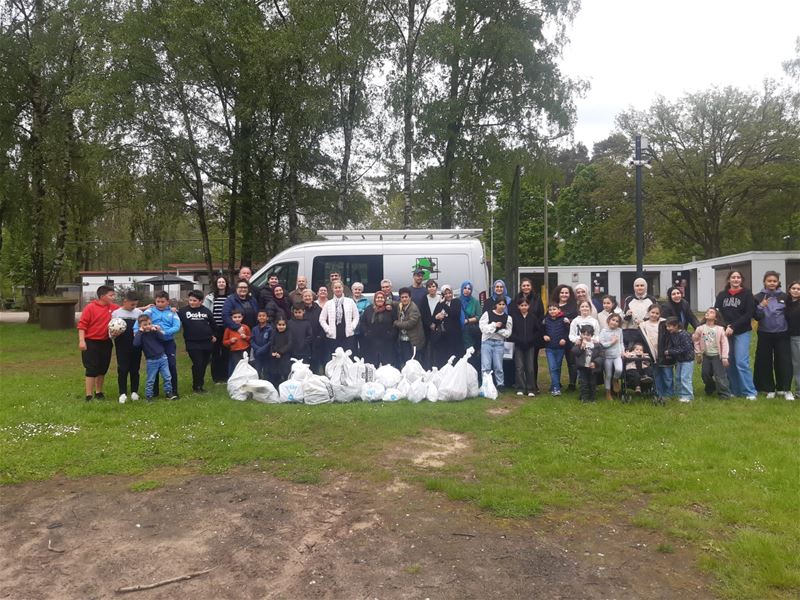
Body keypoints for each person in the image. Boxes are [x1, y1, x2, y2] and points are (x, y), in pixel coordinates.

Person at [714, 270, 757, 400]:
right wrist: (725, 326)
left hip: (742, 331)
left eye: (738, 277)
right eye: (733, 277)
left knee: (741, 362)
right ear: (729, 280)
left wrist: (733, 326)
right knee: (729, 361)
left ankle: (749, 391)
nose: (736, 279)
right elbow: (717, 313)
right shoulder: (722, 295)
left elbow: (749, 314)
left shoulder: (747, 294)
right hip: (726, 332)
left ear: (741, 280)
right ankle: (734, 390)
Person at [753, 271, 793, 400]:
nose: (772, 283)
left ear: (778, 283)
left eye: (774, 281)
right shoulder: (758, 297)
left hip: (782, 334)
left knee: (783, 361)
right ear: (764, 282)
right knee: (764, 361)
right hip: (765, 334)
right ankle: (768, 388)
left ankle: (784, 389)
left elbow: (790, 314)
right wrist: (761, 306)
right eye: (769, 281)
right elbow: (756, 317)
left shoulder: (785, 297)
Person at [134, 291, 181, 398]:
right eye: (158, 301)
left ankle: (173, 391)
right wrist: (137, 332)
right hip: (154, 341)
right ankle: (154, 392)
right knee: (154, 366)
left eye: (162, 302)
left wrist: (165, 332)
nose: (160, 304)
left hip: (168, 342)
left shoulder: (172, 312)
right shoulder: (150, 311)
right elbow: (139, 322)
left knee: (171, 365)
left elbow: (177, 326)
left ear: (167, 302)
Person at [78, 285, 119, 402]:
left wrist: (145, 308)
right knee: (91, 369)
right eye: (111, 295)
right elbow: (82, 325)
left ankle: (99, 392)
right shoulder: (90, 308)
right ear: (102, 296)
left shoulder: (113, 307)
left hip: (106, 342)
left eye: (114, 295)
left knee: (102, 368)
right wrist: (82, 341)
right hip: (91, 342)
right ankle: (89, 395)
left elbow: (126, 309)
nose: (113, 297)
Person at [133, 313, 177, 402]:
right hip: (151, 360)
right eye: (145, 325)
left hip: (162, 358)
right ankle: (149, 396)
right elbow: (136, 344)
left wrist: (157, 331)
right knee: (151, 379)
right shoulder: (140, 335)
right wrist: (140, 332)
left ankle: (169, 393)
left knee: (167, 377)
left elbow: (163, 338)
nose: (148, 326)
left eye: (149, 324)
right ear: (140, 326)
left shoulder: (154, 332)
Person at [178, 290, 216, 394]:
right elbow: (173, 318)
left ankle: (200, 384)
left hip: (207, 342)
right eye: (190, 300)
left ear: (201, 301)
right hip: (192, 342)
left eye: (194, 300)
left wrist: (214, 335)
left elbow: (213, 325)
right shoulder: (183, 311)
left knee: (204, 364)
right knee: (198, 363)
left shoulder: (206, 311)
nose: (192, 302)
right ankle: (196, 386)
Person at [692, 307, 731, 399]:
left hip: (717, 356)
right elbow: (696, 340)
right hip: (706, 356)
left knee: (719, 375)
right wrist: (698, 353)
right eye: (707, 312)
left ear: (716, 317)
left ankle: (724, 394)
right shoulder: (700, 328)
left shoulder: (720, 329)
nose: (708, 313)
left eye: (711, 312)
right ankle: (711, 387)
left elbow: (725, 343)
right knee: (705, 374)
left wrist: (724, 357)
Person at [112, 291, 142, 403]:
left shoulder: (139, 313)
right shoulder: (116, 313)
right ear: (125, 301)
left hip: (136, 345)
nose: (134, 306)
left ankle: (134, 392)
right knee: (123, 369)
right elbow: (111, 330)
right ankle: (122, 393)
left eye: (136, 304)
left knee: (135, 368)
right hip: (122, 345)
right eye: (132, 304)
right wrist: (113, 334)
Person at [479, 296, 512, 391]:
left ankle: (500, 384)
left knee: (498, 366)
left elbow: (508, 333)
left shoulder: (508, 318)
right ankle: (486, 384)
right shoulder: (487, 314)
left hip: (499, 343)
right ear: (495, 305)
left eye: (503, 304)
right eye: (499, 304)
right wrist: (494, 325)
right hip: (487, 342)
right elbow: (483, 328)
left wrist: (498, 330)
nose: (501, 306)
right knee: (486, 365)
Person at [509, 298, 541, 396]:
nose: (524, 307)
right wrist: (517, 339)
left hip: (530, 346)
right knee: (519, 367)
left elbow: (537, 331)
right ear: (518, 306)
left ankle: (531, 388)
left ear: (529, 306)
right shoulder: (514, 317)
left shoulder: (533, 317)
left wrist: (531, 339)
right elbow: (511, 332)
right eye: (521, 305)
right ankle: (520, 388)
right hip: (518, 345)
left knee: (530, 367)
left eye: (525, 305)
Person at [639, 304, 669, 402]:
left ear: (660, 314)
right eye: (652, 312)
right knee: (655, 374)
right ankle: (658, 392)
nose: (654, 315)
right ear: (648, 313)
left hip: (662, 351)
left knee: (666, 374)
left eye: (657, 313)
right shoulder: (643, 325)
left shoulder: (663, 323)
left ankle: (668, 393)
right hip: (651, 351)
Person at [319, 281, 359, 354]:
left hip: (348, 336)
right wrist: (328, 329)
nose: (338, 289)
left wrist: (352, 327)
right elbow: (322, 319)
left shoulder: (350, 301)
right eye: (336, 288)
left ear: (342, 288)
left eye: (339, 287)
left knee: (348, 358)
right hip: (333, 336)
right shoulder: (328, 303)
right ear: (332, 289)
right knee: (334, 358)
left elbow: (356, 317)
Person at [204, 276, 230, 384]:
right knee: (215, 353)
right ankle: (216, 377)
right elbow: (205, 312)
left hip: (226, 329)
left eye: (223, 282)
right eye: (219, 282)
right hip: (214, 329)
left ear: (226, 284)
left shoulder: (230, 297)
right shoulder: (210, 297)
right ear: (216, 284)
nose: (221, 283)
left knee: (225, 353)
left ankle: (225, 377)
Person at [551, 284, 578, 391]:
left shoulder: (574, 306)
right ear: (558, 294)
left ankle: (572, 384)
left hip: (570, 339)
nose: (564, 294)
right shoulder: (553, 306)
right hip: (556, 339)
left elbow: (577, 321)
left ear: (570, 294)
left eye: (566, 293)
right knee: (556, 363)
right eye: (562, 292)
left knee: (571, 362)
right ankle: (556, 383)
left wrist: (569, 321)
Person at [662, 317, 695, 403]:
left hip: (687, 360)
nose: (667, 328)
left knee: (685, 378)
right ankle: (680, 394)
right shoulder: (673, 334)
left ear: (676, 326)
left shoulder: (684, 335)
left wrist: (670, 352)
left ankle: (688, 396)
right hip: (679, 360)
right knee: (678, 377)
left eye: (669, 326)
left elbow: (685, 348)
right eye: (667, 326)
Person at [360, 291, 397, 366]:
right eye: (377, 298)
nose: (379, 299)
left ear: (385, 299)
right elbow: (363, 322)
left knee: (386, 365)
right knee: (372, 364)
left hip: (387, 342)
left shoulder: (389, 310)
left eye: (382, 298)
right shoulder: (369, 309)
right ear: (374, 299)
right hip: (371, 342)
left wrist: (391, 334)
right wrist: (367, 333)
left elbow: (395, 323)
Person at [432, 284, 463, 367]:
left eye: (450, 293)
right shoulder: (440, 304)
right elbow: (434, 318)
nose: (448, 295)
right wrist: (437, 317)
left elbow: (454, 313)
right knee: (443, 358)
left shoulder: (456, 302)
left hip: (454, 335)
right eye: (445, 294)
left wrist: (444, 305)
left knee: (454, 357)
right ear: (443, 295)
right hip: (443, 335)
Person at [543, 303, 569, 396]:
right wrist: (544, 335)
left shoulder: (564, 320)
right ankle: (556, 388)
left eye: (554, 309)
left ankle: (555, 383)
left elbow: (568, 331)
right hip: (549, 348)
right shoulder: (545, 320)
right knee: (552, 367)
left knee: (557, 367)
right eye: (550, 310)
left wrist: (564, 339)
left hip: (560, 348)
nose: (552, 311)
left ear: (559, 310)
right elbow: (542, 330)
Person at [571, 324, 603, 402]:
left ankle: (592, 398)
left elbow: (601, 355)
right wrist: (581, 346)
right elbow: (575, 352)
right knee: (583, 383)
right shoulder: (578, 343)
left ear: (591, 336)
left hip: (592, 367)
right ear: (581, 334)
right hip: (583, 367)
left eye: (588, 335)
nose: (585, 336)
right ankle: (584, 398)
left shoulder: (596, 345)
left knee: (592, 383)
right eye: (583, 334)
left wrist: (595, 363)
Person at [394, 287, 426, 363]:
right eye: (402, 297)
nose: (404, 299)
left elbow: (410, 323)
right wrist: (388, 303)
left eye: (406, 297)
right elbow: (394, 303)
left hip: (413, 341)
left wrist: (396, 323)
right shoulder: (401, 305)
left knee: (413, 363)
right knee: (405, 361)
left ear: (410, 298)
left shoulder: (413, 308)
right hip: (403, 339)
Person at [622, 278, 657, 346]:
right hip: (632, 332)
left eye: (642, 285)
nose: (639, 287)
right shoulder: (629, 299)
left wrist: (644, 321)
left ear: (646, 287)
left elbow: (656, 315)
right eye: (637, 286)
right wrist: (627, 315)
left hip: (648, 331)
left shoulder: (652, 299)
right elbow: (625, 318)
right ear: (634, 287)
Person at [599, 313, 624, 401]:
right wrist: (612, 342)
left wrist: (622, 351)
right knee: (608, 375)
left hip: (617, 355)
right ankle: (608, 393)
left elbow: (621, 342)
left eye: (617, 321)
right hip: (607, 357)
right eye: (613, 320)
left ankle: (615, 380)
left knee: (619, 369)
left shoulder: (619, 330)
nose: (614, 322)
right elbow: (602, 344)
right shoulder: (603, 331)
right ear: (608, 320)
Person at [460, 280, 483, 373]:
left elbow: (479, 316)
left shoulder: (475, 302)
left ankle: (472, 376)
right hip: (460, 333)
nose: (467, 290)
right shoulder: (457, 301)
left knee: (471, 356)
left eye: (469, 289)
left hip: (470, 332)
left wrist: (468, 320)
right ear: (462, 289)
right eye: (465, 288)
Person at [301, 289, 325, 373]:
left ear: (313, 297)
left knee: (315, 364)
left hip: (316, 340)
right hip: (303, 341)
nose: (307, 298)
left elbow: (323, 323)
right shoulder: (299, 309)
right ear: (302, 298)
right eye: (305, 296)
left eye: (309, 296)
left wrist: (320, 336)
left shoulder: (319, 309)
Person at [419, 279, 440, 369]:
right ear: (427, 289)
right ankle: (426, 368)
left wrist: (435, 323)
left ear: (436, 288)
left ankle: (437, 367)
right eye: (429, 287)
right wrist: (430, 324)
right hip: (426, 328)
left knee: (437, 349)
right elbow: (422, 313)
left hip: (438, 327)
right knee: (426, 349)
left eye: (433, 286)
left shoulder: (440, 298)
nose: (431, 288)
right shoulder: (424, 298)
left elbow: (442, 312)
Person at [223, 308, 251, 376]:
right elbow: (224, 342)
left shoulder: (246, 327)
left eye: (239, 317)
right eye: (235, 317)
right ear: (231, 318)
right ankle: (234, 380)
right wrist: (230, 341)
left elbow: (251, 339)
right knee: (235, 367)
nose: (237, 319)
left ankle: (245, 379)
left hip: (245, 350)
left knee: (245, 366)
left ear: (242, 317)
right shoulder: (228, 329)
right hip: (234, 352)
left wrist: (246, 337)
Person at [249, 309, 273, 379]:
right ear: (257, 317)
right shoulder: (254, 329)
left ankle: (267, 382)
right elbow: (252, 340)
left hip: (267, 354)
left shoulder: (270, 329)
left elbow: (271, 341)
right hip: (257, 354)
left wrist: (262, 349)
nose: (261, 317)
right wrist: (257, 349)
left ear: (267, 318)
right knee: (257, 371)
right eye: (260, 316)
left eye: (263, 316)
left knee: (267, 372)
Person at [267, 317, 291, 386]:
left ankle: (285, 387)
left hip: (285, 356)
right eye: (279, 325)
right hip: (275, 357)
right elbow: (272, 343)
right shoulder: (274, 332)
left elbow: (289, 344)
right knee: (275, 373)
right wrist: (273, 353)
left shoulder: (288, 333)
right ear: (276, 325)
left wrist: (280, 352)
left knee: (285, 373)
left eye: (283, 325)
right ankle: (275, 386)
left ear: (286, 325)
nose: (281, 326)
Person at [787, 280, 800, 397]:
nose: (796, 291)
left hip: (798, 337)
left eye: (799, 289)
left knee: (798, 365)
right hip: (789, 337)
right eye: (794, 288)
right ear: (789, 290)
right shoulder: (787, 303)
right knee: (795, 365)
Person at [351, 282, 370, 357]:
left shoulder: (366, 301)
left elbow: (367, 313)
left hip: (362, 329)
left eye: (359, 289)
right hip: (351, 330)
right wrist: (360, 311)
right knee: (352, 350)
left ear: (362, 290)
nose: (357, 291)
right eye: (355, 289)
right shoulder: (348, 300)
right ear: (352, 290)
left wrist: (355, 311)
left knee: (363, 350)